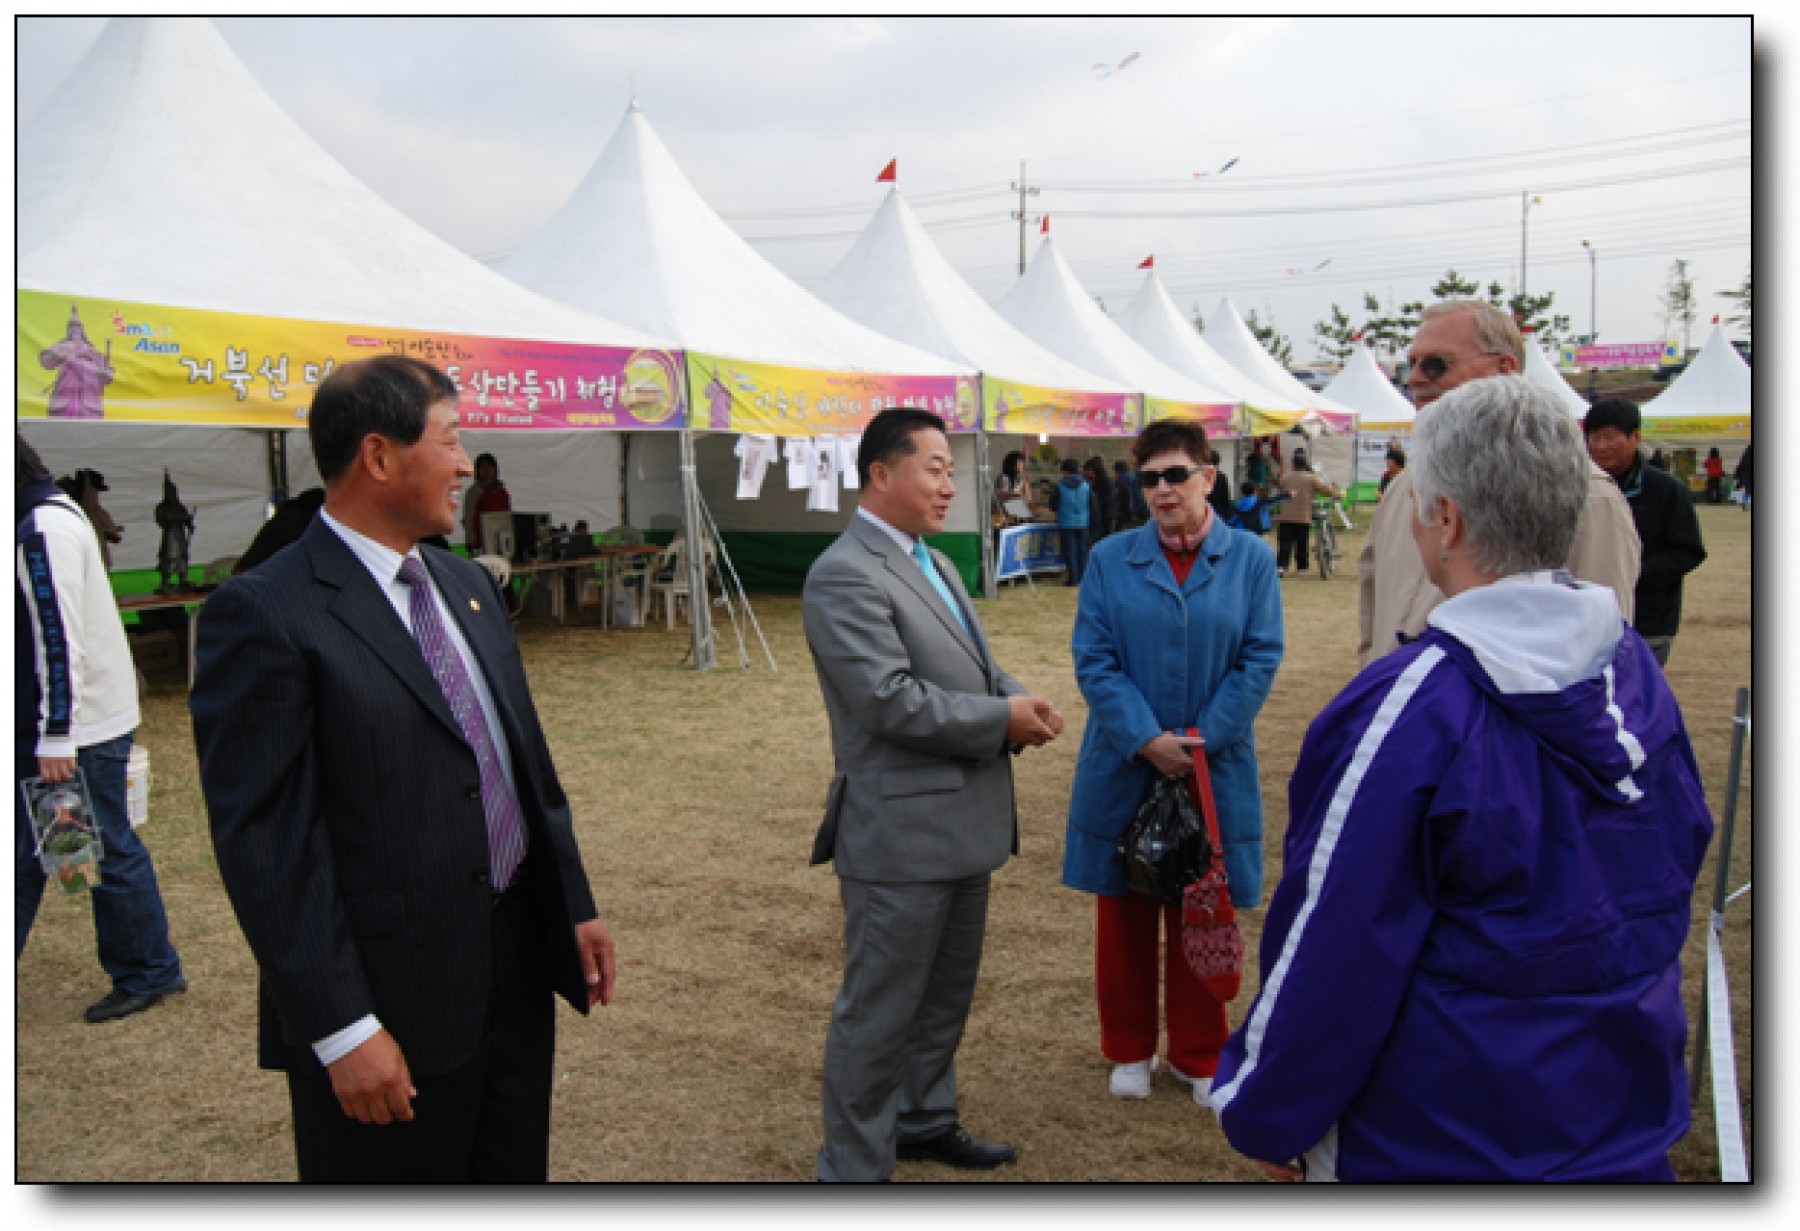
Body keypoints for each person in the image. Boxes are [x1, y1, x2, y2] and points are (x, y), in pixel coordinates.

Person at [1210, 375, 1712, 1181]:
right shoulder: (1633, 673)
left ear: (1445, 519)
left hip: (1441, 1131)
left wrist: (1265, 1109)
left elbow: (1334, 943)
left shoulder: (1412, 706)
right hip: (1617, 1113)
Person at [189, 356, 617, 1183]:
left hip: (514, 973)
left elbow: (522, 763)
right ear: (379, 457)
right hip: (389, 997)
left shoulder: (464, 586)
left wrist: (571, 902)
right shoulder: (267, 611)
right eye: (451, 442)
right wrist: (342, 1026)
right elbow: (267, 845)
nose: (466, 465)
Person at [801, 407, 1064, 1182]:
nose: (951, 484)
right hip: (901, 836)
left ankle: (922, 1117)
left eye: (953, 469)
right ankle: (854, 1166)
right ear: (881, 474)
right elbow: (889, 699)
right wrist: (1002, 717)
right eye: (936, 467)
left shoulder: (936, 562)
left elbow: (972, 669)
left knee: (943, 997)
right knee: (877, 1013)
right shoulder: (844, 571)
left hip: (963, 824)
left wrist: (1016, 697)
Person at [1063, 418, 1282, 1105]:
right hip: (1126, 761)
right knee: (1124, 912)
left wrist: (1201, 739)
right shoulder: (1109, 557)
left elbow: (1260, 655)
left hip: (1213, 766)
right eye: (1149, 477)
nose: (1162, 490)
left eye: (1175, 474)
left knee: (1203, 905)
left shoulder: (1250, 558)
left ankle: (1198, 1051)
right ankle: (1128, 1047)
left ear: (1207, 477)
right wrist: (1144, 737)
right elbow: (1094, 658)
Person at [1357, 300, 1640, 667]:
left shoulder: (1587, 493)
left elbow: (1602, 652)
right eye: (1410, 365)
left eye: (1435, 364)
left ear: (1504, 368)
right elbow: (1372, 615)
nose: (1414, 379)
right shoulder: (1403, 487)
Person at [16, 434, 187, 1023]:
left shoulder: (44, 529)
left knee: (104, 846)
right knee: (43, 848)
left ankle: (148, 969)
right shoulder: (44, 519)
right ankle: (146, 966)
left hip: (79, 729)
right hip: (67, 725)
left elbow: (58, 639)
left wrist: (57, 733)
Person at [1583, 399, 1707, 668]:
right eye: (1594, 438)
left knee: (1639, 700)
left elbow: (1688, 551)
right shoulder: (1576, 487)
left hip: (1649, 620)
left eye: (1610, 437)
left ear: (1635, 437)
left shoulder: (1666, 489)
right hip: (1590, 618)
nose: (1601, 446)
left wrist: (1632, 573)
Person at [1272, 450, 1342, 577]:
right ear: (1305, 464)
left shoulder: (1285, 477)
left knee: (1284, 543)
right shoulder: (1311, 478)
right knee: (1301, 543)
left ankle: (1281, 566)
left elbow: (1280, 490)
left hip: (1286, 516)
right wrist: (1337, 494)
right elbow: (1325, 490)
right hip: (1303, 516)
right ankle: (1302, 567)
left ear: (1293, 464)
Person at [233, 487, 326, 575]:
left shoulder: (295, 515)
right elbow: (304, 549)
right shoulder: (291, 518)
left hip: (259, 572)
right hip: (251, 574)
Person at [56, 469, 124, 568]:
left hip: (68, 559)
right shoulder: (96, 511)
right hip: (96, 561)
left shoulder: (60, 508)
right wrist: (110, 530)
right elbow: (115, 538)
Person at [1050, 458, 1093, 587]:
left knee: (1070, 550)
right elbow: (1091, 503)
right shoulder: (1086, 485)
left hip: (1066, 522)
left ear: (1065, 471)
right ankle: (1083, 577)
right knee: (1083, 550)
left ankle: (1073, 578)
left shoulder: (1060, 486)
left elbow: (1053, 505)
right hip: (1083, 521)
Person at [461, 451, 512, 553]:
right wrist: (470, 542)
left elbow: (508, 515)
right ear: (478, 471)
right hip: (481, 543)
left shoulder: (502, 491)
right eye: (483, 467)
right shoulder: (474, 492)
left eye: (490, 467)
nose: (487, 470)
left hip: (502, 541)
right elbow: (469, 518)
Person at [1083, 456, 1115, 544]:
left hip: (1105, 515)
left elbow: (1106, 499)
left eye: (1088, 470)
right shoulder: (1092, 481)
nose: (1087, 473)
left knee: (1103, 540)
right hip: (1097, 515)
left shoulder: (1105, 481)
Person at [1112, 459, 1148, 529]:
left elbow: (1133, 498)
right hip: (1141, 513)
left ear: (1117, 471)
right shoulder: (1133, 478)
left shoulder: (1123, 482)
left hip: (1131, 515)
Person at [1733, 441, 1752, 510]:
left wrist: (1737, 474)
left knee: (1747, 490)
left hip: (1746, 476)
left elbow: (1740, 466)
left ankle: (1745, 503)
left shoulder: (1745, 457)